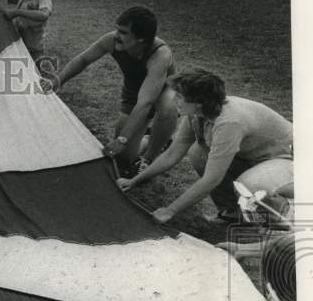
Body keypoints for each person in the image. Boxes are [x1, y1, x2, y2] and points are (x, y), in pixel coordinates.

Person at [117, 68, 294, 225]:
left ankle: (280, 217)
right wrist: (135, 181)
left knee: (249, 184)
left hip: (290, 158)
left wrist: (170, 211)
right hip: (255, 155)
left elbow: (212, 179)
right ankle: (232, 212)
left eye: (180, 97)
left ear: (199, 102)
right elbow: (172, 154)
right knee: (198, 153)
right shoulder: (196, 114)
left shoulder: (229, 122)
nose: (174, 100)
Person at [53, 5, 177, 176]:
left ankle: (150, 158)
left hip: (162, 90)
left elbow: (146, 102)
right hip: (135, 91)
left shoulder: (160, 54)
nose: (117, 35)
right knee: (124, 158)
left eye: (124, 32)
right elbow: (83, 59)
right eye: (117, 29)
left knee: (168, 108)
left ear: (141, 39)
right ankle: (149, 138)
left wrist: (122, 139)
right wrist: (58, 81)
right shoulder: (111, 40)